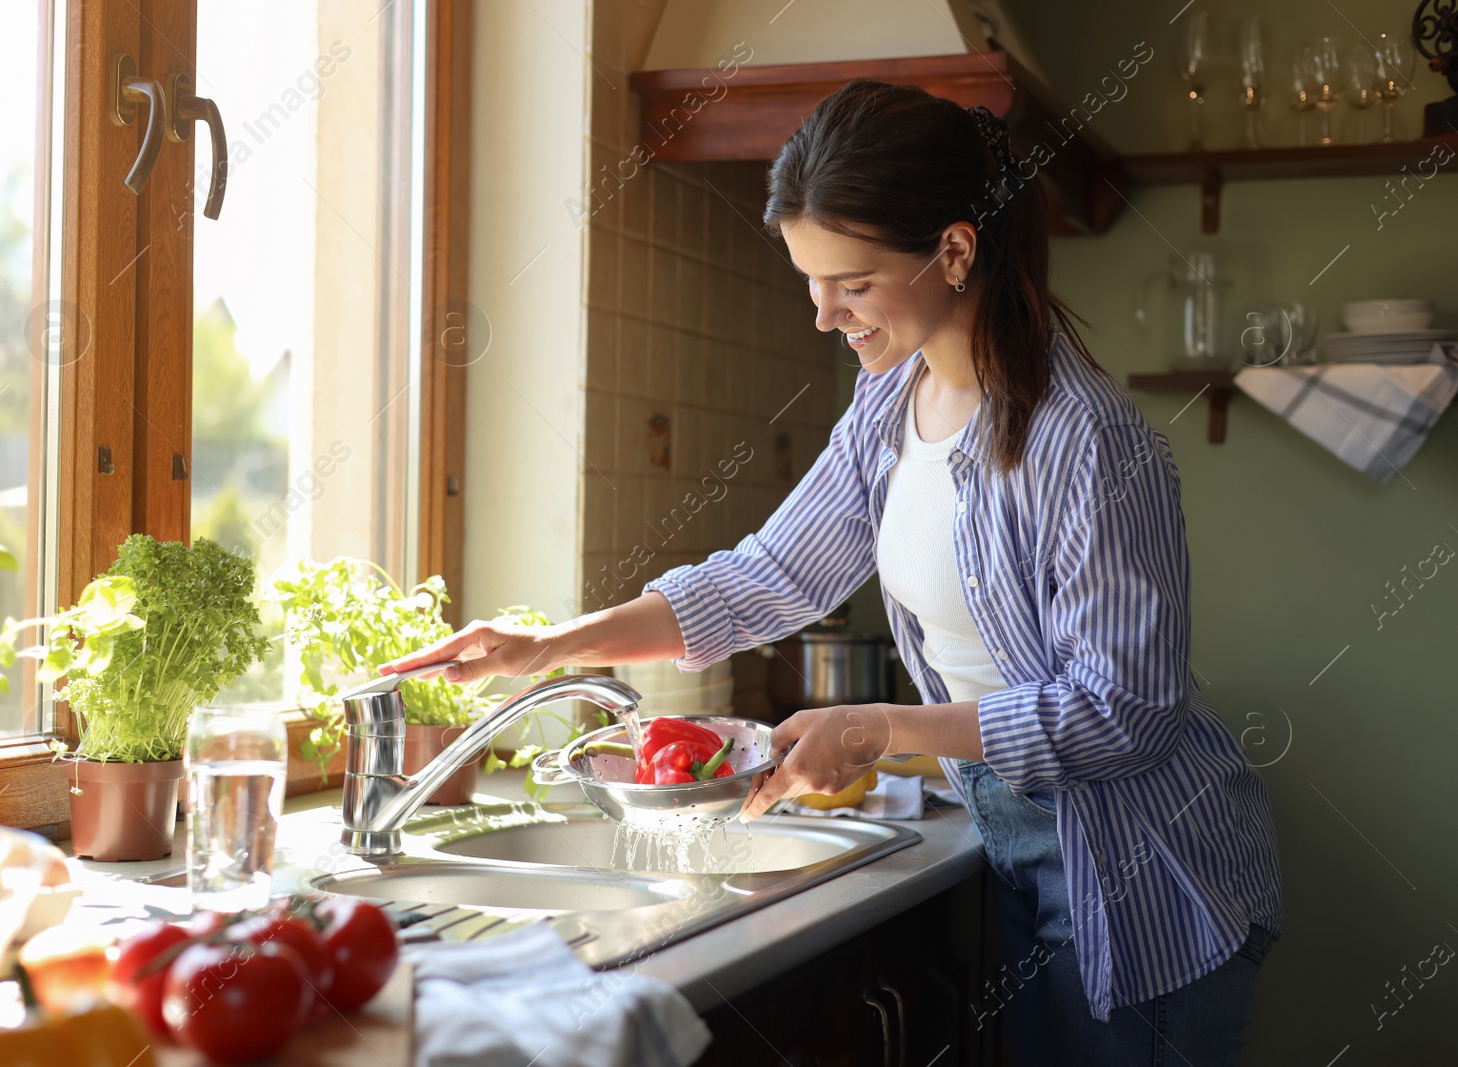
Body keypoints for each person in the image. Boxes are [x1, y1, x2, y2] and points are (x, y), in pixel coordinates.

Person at [384, 80, 1282, 1066]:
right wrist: (549, 644)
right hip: (1012, 831)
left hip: (1136, 865)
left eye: (849, 282)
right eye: (810, 279)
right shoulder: (890, 402)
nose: (823, 314)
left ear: (954, 250)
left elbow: (1125, 710)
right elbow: (771, 575)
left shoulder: (1085, 441)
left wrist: (879, 725)